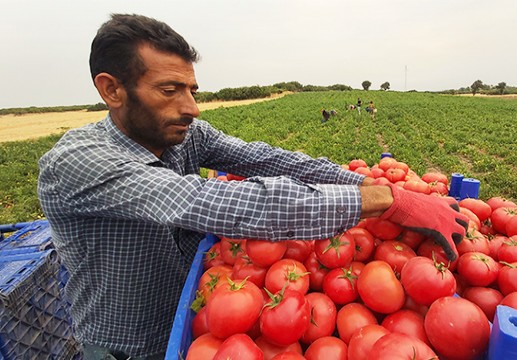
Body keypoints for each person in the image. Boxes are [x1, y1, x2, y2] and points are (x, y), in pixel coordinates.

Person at [37, 14, 468, 360]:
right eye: (170, 90)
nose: (191, 107)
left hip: (203, 317)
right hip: (127, 345)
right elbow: (219, 201)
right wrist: (385, 198)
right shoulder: (78, 163)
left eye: (191, 89)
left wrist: (368, 184)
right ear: (112, 90)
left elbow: (271, 160)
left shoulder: (186, 133)